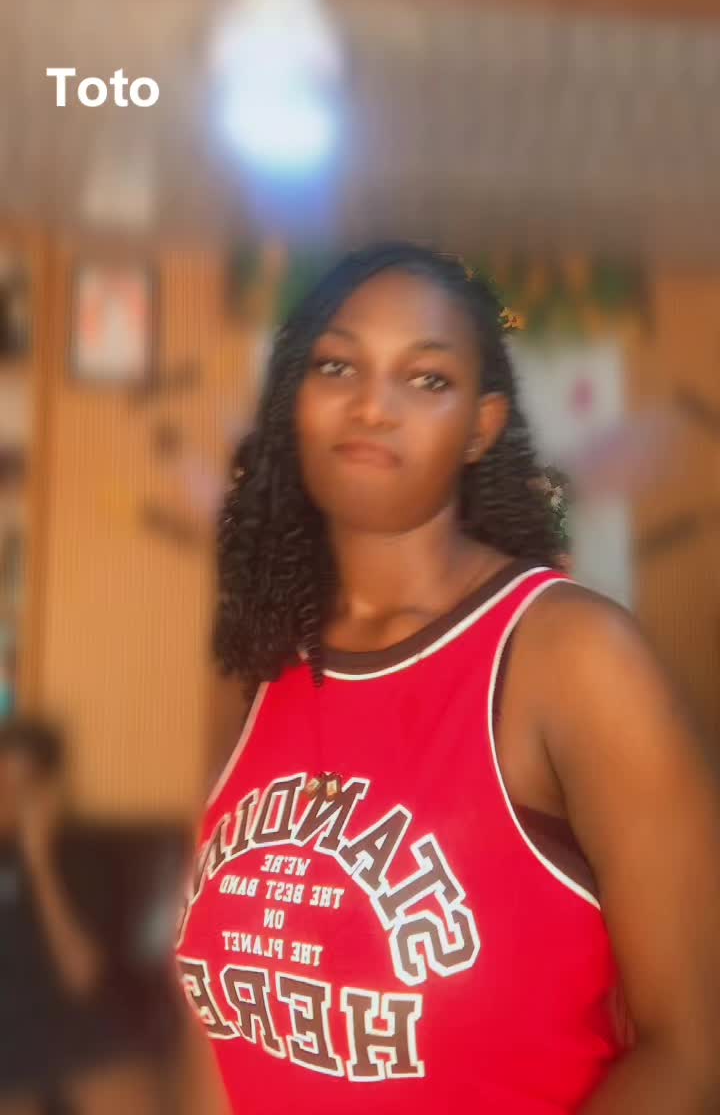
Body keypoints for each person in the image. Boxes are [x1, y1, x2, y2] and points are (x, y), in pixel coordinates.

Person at [176, 242, 720, 1112]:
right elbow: (221, 1035)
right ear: (293, 401)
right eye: (337, 365)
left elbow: (695, 1054)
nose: (372, 405)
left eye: (426, 378)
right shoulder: (259, 667)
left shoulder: (571, 657)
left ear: (481, 427)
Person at [0, 719, 158, 1115]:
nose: (9, 798)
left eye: (23, 786)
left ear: (50, 792)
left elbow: (81, 974)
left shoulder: (85, 859)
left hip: (83, 1029)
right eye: (3, 783)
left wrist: (41, 867)